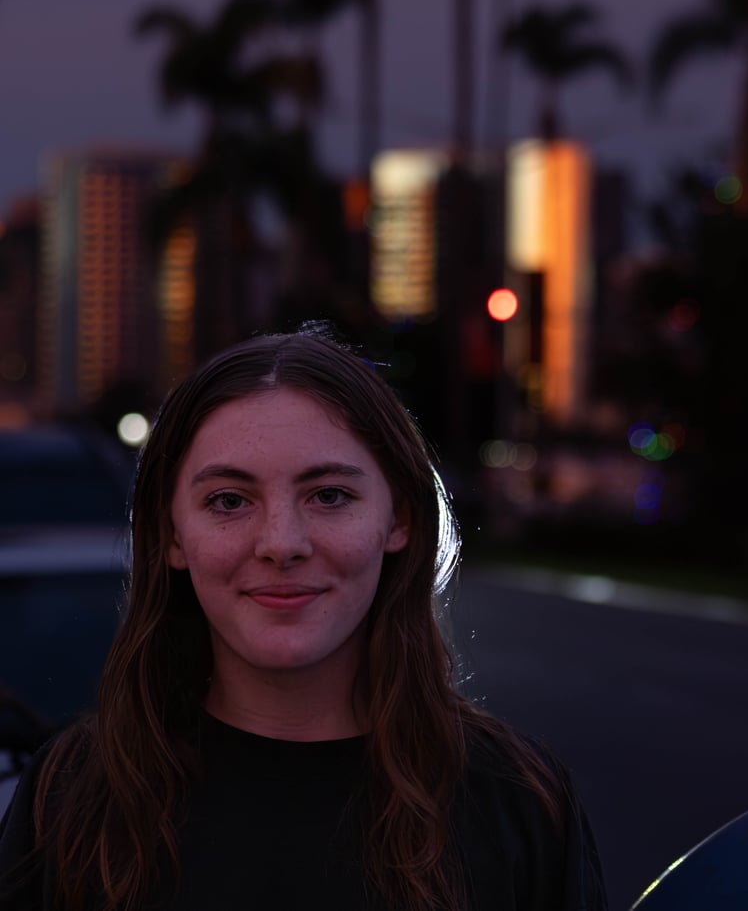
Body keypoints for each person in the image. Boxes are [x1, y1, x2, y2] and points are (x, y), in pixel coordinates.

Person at [0, 327, 607, 911]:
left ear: (399, 520)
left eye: (330, 496)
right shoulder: (73, 797)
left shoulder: (518, 801)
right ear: (171, 535)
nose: (281, 543)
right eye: (229, 501)